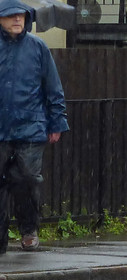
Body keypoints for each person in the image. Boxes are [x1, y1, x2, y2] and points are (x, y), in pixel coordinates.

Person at [0, 0, 69, 254]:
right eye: (10, 17)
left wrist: (57, 123)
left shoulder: (38, 47)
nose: (17, 20)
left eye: (21, 16)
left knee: (27, 181)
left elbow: (53, 89)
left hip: (30, 129)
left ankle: (29, 230)